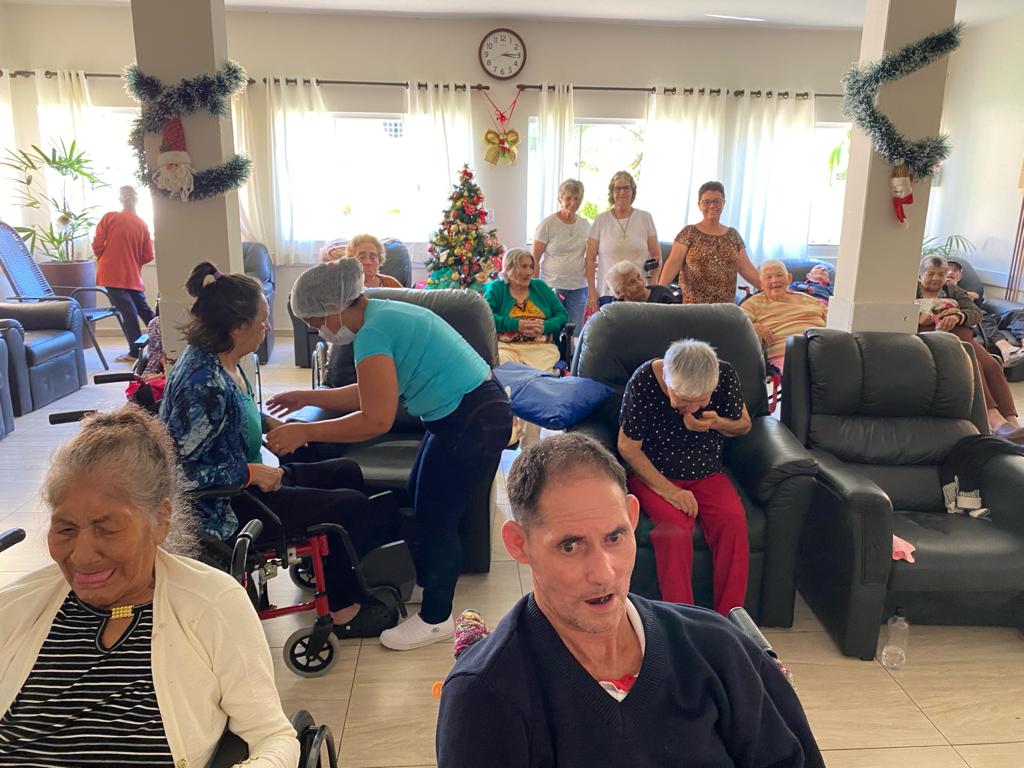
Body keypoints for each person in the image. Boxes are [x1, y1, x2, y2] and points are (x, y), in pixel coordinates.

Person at [436, 432, 823, 768]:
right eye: (570, 546)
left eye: (614, 537)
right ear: (519, 544)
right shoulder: (485, 697)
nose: (603, 573)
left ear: (632, 517)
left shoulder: (719, 649)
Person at [0, 405, 299, 768]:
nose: (81, 555)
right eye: (65, 529)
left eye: (107, 529)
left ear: (159, 520)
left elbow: (273, 737)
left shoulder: (211, 605)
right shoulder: (16, 609)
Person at [263, 259, 513, 651]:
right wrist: (307, 397)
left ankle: (436, 619)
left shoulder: (373, 332)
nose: (317, 331)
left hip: (472, 419)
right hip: (461, 413)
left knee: (439, 517)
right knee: (421, 497)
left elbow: (375, 419)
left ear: (332, 306)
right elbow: (372, 389)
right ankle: (431, 583)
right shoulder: (380, 315)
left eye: (314, 322)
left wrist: (306, 431)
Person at [160, 261, 400, 638]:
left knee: (346, 472)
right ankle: (343, 611)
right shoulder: (203, 385)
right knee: (347, 508)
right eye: (262, 321)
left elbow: (228, 416)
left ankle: (340, 568)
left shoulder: (220, 361)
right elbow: (180, 473)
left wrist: (269, 423)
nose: (268, 328)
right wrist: (250, 473)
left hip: (243, 484)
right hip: (225, 506)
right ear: (237, 327)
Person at [616, 340, 751, 614]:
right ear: (668, 379)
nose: (692, 408)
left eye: (701, 400)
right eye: (684, 400)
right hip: (654, 472)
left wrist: (716, 423)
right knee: (674, 529)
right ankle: (682, 618)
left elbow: (743, 424)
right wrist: (671, 492)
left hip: (706, 470)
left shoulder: (724, 375)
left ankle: (731, 618)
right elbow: (627, 446)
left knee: (733, 521)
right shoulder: (644, 381)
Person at [918, 255, 1024, 442]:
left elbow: (975, 313)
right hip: (937, 340)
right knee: (973, 365)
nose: (936, 278)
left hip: (962, 336)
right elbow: (898, 318)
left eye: (941, 274)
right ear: (920, 276)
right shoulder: (909, 291)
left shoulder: (952, 290)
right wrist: (919, 319)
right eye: (931, 274)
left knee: (992, 365)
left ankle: (1012, 423)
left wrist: (958, 316)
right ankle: (996, 423)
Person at [485, 247, 569, 446]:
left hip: (540, 347)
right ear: (509, 268)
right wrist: (516, 325)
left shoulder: (540, 287)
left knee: (536, 386)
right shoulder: (497, 288)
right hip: (507, 346)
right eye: (523, 266)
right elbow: (486, 316)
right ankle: (509, 430)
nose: (529, 272)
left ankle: (530, 443)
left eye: (531, 266)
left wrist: (544, 326)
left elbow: (562, 315)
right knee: (506, 379)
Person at [658, 181, 760, 304]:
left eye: (716, 201)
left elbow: (747, 269)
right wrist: (658, 294)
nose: (712, 206)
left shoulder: (733, 235)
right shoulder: (689, 232)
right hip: (693, 308)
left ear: (723, 203)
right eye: (706, 202)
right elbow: (673, 263)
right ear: (699, 205)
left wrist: (772, 287)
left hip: (725, 309)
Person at [91, 185, 155, 362]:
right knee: (143, 309)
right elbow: (148, 255)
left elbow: (97, 245)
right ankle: (166, 339)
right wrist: (132, 261)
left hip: (111, 272)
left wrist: (106, 256)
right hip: (132, 275)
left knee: (128, 311)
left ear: (121, 199)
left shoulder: (110, 218)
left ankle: (135, 353)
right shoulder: (142, 224)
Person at [585, 171, 662, 311]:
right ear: (612, 192)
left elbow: (656, 255)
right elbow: (590, 259)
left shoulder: (645, 218)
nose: (622, 192)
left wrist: (653, 284)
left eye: (626, 188)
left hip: (638, 292)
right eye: (618, 188)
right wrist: (591, 291)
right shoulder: (601, 220)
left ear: (633, 191)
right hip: (609, 293)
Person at [741, 260, 828, 371]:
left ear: (789, 278)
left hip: (821, 348)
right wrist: (752, 327)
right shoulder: (754, 302)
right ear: (761, 284)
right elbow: (736, 322)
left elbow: (835, 319)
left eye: (779, 275)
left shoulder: (808, 299)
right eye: (768, 277)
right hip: (787, 356)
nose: (774, 280)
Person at [533, 178, 591, 335]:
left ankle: (571, 353)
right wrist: (534, 288)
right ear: (560, 198)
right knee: (552, 331)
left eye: (577, 198)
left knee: (575, 332)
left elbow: (590, 258)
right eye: (568, 198)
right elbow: (534, 259)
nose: (573, 202)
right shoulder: (547, 224)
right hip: (552, 285)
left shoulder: (586, 226)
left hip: (578, 287)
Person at [947, 258, 1024, 367]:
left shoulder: (964, 289)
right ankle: (1006, 349)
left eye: (955, 270)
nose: (951, 272)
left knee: (1018, 314)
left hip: (988, 317)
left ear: (960, 276)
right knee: (980, 315)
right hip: (971, 321)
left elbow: (975, 296)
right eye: (947, 269)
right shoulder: (940, 289)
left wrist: (957, 288)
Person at [604, 260, 679, 304]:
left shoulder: (661, 294)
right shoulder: (617, 307)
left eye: (638, 277)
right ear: (619, 292)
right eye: (632, 283)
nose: (640, 284)